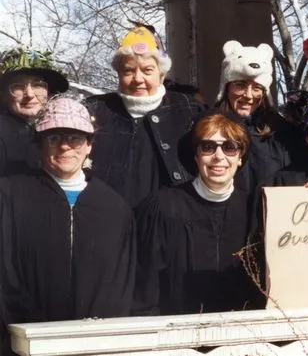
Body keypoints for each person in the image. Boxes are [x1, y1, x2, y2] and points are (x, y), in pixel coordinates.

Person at [0, 97, 135, 325]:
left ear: (89, 145)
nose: (65, 146)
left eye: (75, 138)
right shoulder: (8, 196)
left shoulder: (114, 207)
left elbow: (121, 283)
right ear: (39, 144)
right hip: (24, 335)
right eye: (54, 138)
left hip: (94, 338)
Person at [134, 111, 263, 315]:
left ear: (240, 157)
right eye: (208, 147)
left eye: (229, 147)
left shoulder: (254, 208)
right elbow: (145, 286)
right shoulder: (163, 207)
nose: (219, 156)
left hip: (242, 333)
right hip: (176, 331)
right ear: (196, 155)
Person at [85, 26, 204, 208]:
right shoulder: (95, 111)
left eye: (147, 70)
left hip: (169, 223)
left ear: (161, 75)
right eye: (128, 71)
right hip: (108, 221)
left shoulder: (188, 110)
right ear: (118, 74)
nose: (138, 78)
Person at [216, 40, 300, 191]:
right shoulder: (209, 128)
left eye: (257, 88)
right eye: (240, 85)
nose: (249, 95)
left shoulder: (283, 133)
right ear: (226, 87)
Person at [0, 47, 69, 176]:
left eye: (38, 85)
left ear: (49, 92)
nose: (30, 94)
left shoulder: (53, 128)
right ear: (3, 95)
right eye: (18, 87)